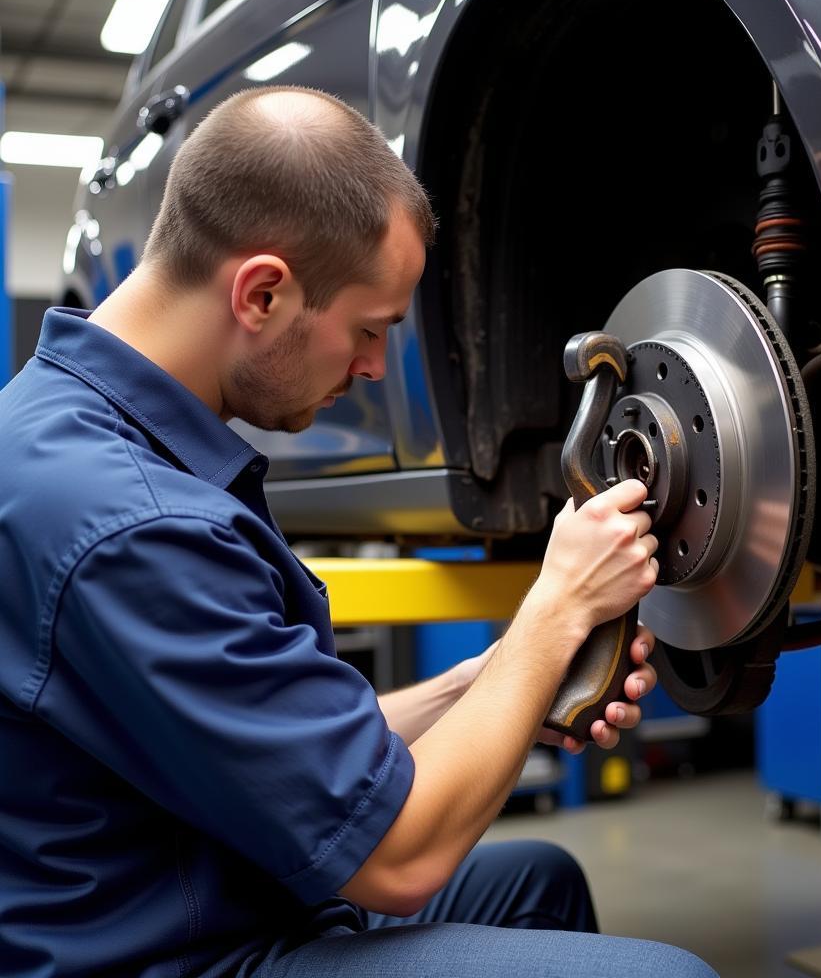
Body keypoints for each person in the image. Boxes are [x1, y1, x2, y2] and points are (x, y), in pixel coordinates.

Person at [0, 86, 716, 978]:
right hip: (172, 952)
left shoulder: (70, 428)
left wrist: (489, 688)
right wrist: (557, 606)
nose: (376, 366)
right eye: (368, 330)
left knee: (538, 878)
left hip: (194, 880)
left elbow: (260, 741)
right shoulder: (128, 525)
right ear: (261, 292)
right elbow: (401, 862)